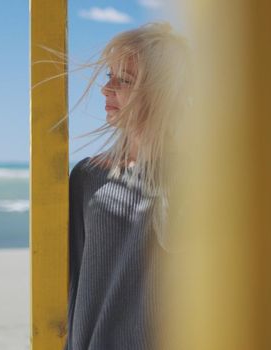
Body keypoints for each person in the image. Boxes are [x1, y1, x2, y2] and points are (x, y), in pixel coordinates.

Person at [64, 22, 190, 350]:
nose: (107, 90)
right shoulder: (87, 176)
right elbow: (73, 285)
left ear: (161, 92)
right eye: (109, 77)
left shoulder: (194, 176)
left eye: (125, 80)